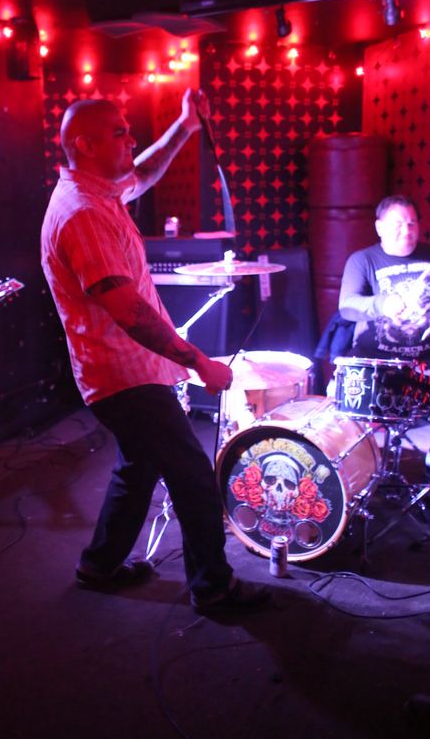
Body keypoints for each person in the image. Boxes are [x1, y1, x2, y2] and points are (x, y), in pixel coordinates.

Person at [40, 90, 270, 614]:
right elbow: (128, 312)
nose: (131, 139)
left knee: (138, 467)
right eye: (119, 132)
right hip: (121, 376)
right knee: (192, 475)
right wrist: (199, 362)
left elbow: (142, 171)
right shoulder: (81, 213)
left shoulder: (96, 189)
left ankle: (98, 566)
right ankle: (213, 588)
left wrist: (185, 125)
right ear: (85, 144)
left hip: (121, 370)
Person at [338, 194, 430, 475]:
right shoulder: (363, 260)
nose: (406, 230)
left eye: (412, 223)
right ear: (380, 227)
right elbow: (347, 306)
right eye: (398, 224)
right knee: (350, 419)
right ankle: (357, 467)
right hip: (379, 362)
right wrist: (382, 304)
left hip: (428, 361)